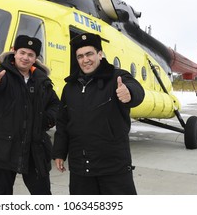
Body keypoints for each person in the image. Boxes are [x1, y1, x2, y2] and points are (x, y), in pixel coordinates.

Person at [52, 32, 145, 195]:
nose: (85, 60)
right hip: (80, 169)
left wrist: (129, 92)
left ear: (100, 54)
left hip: (113, 167)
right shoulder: (70, 87)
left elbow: (137, 89)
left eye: (89, 54)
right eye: (80, 56)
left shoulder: (117, 77)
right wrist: (59, 152)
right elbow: (63, 123)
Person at [0, 35, 60, 195]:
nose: (25, 58)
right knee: (0, 195)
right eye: (22, 53)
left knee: (43, 194)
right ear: (14, 52)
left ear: (35, 58)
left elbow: (55, 105)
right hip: (5, 148)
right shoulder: (1, 73)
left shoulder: (42, 80)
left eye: (30, 55)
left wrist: (46, 120)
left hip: (34, 148)